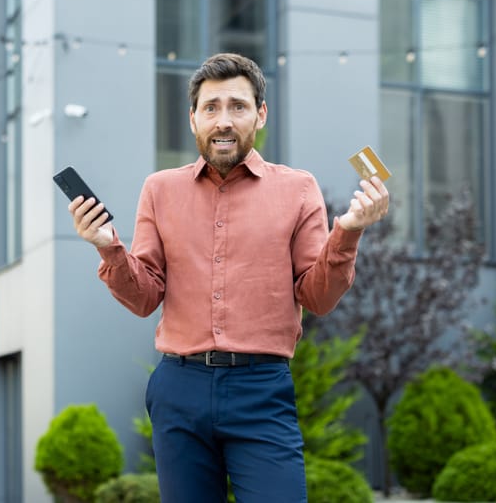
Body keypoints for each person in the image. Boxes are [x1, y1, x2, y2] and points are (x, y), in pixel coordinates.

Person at [66, 53, 389, 503]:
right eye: (211, 107)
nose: (223, 121)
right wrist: (107, 245)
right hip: (179, 387)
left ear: (260, 115)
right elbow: (144, 299)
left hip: (262, 388)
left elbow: (318, 297)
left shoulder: (298, 189)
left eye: (237, 106)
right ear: (193, 118)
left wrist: (348, 232)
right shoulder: (160, 190)